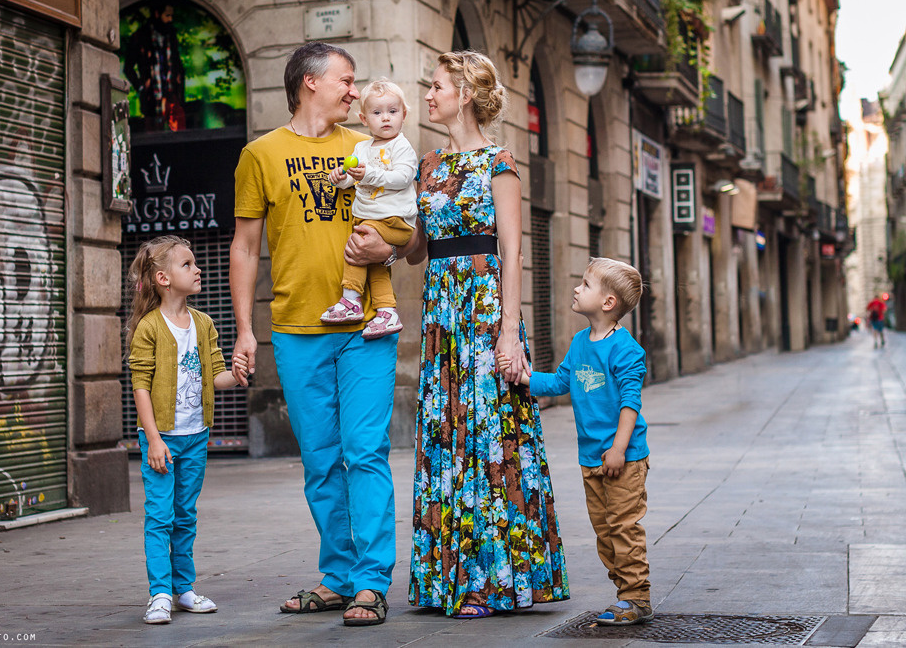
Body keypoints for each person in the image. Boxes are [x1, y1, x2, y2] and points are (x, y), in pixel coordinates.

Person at [230, 42, 402, 627]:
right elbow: (245, 247)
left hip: (366, 325)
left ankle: (371, 582)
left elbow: (409, 227)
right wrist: (245, 330)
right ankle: (339, 577)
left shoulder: (368, 146)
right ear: (310, 82)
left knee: (364, 450)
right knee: (321, 460)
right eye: (345, 80)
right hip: (296, 327)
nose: (355, 91)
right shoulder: (260, 154)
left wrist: (389, 249)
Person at [405, 50, 569, 618]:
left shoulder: (499, 163)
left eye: (437, 86)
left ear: (466, 95)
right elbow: (417, 249)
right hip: (441, 314)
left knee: (487, 434)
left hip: (484, 311)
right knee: (447, 432)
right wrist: (383, 227)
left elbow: (512, 251)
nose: (428, 95)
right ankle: (447, 579)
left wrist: (510, 331)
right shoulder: (426, 165)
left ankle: (493, 579)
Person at [500, 257, 654, 626]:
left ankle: (636, 597)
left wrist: (618, 449)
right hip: (591, 458)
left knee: (624, 527)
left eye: (585, 284)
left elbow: (630, 403)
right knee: (604, 531)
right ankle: (624, 592)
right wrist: (524, 377)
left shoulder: (626, 350)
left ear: (608, 302)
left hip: (623, 458)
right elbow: (560, 382)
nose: (576, 288)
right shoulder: (580, 341)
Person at [126, 235, 239, 625]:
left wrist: (237, 373)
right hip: (162, 439)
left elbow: (216, 375)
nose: (198, 269)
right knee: (160, 516)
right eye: (187, 264)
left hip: (196, 436)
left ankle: (184, 589)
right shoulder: (149, 327)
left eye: (195, 263)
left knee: (185, 515)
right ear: (163, 278)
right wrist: (153, 439)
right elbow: (140, 385)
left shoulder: (204, 324)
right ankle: (160, 593)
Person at [321, 78, 418, 339]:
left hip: (395, 220)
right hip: (372, 219)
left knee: (357, 246)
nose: (386, 118)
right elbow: (354, 181)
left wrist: (369, 174)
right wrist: (341, 178)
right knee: (374, 263)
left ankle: (350, 299)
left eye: (393, 111)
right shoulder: (361, 148)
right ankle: (387, 312)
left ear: (404, 115)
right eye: (377, 113)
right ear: (364, 119)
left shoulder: (401, 146)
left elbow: (403, 178)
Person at [124, 1, 186, 131]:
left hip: (171, 96)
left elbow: (177, 64)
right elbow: (128, 67)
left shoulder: (171, 36)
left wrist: (180, 88)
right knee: (153, 133)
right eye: (167, 15)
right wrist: (141, 86)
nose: (170, 19)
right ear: (157, 14)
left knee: (176, 132)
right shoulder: (141, 36)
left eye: (171, 16)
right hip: (151, 98)